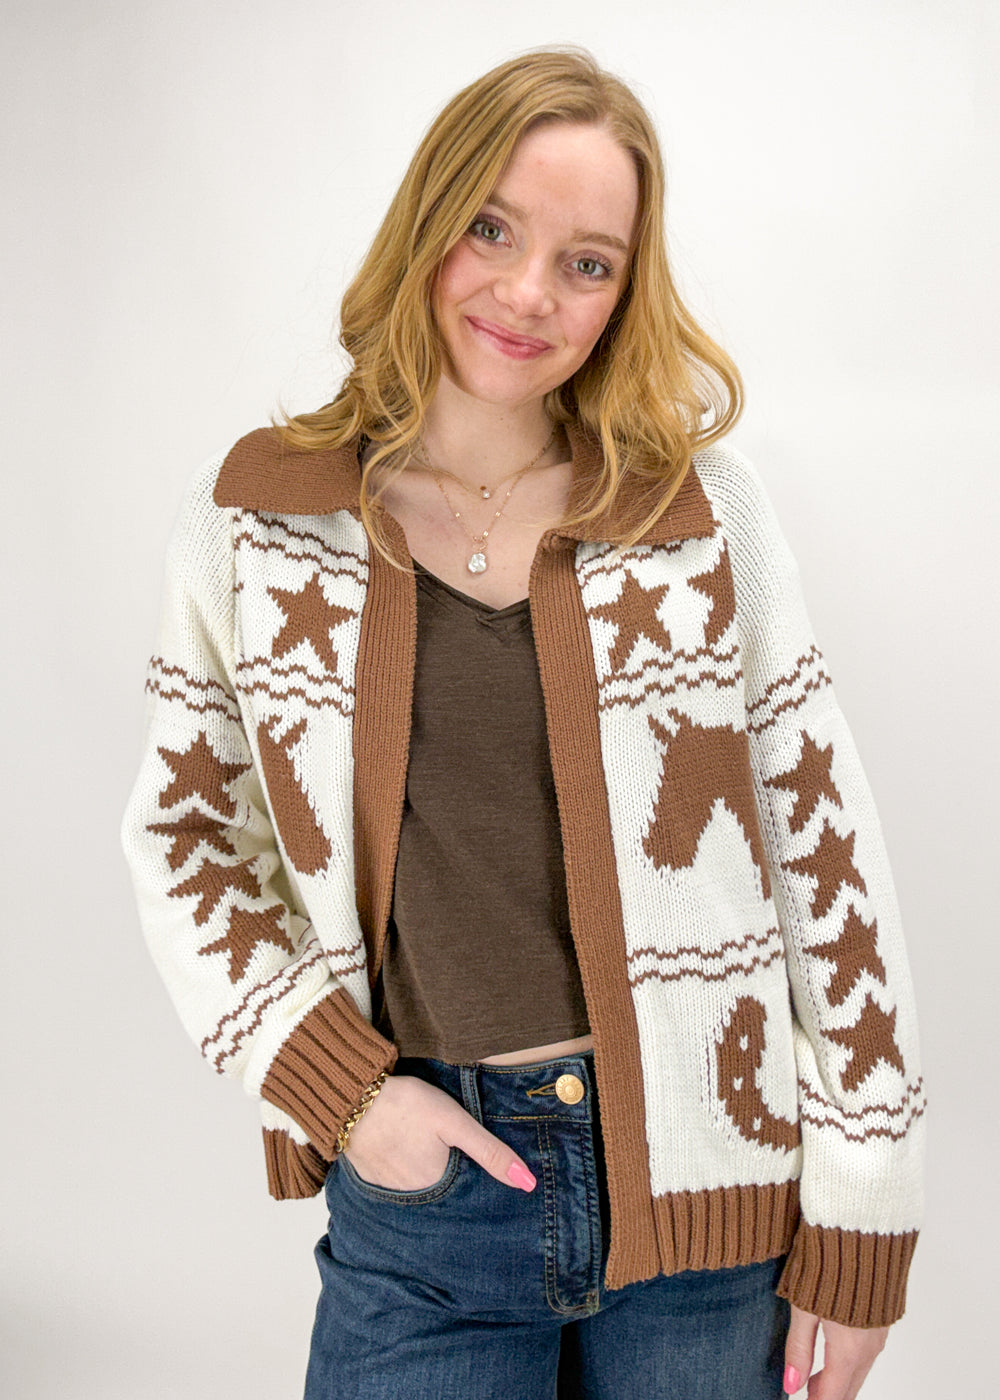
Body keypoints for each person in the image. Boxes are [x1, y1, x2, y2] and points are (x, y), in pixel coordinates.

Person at [120, 45, 925, 1400]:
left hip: (709, 1203)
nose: (527, 292)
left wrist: (863, 1221)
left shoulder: (698, 515)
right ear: (429, 221)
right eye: (492, 228)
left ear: (625, 292)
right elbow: (190, 839)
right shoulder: (264, 516)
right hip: (429, 1206)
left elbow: (825, 858)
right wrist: (349, 1097)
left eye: (588, 261)